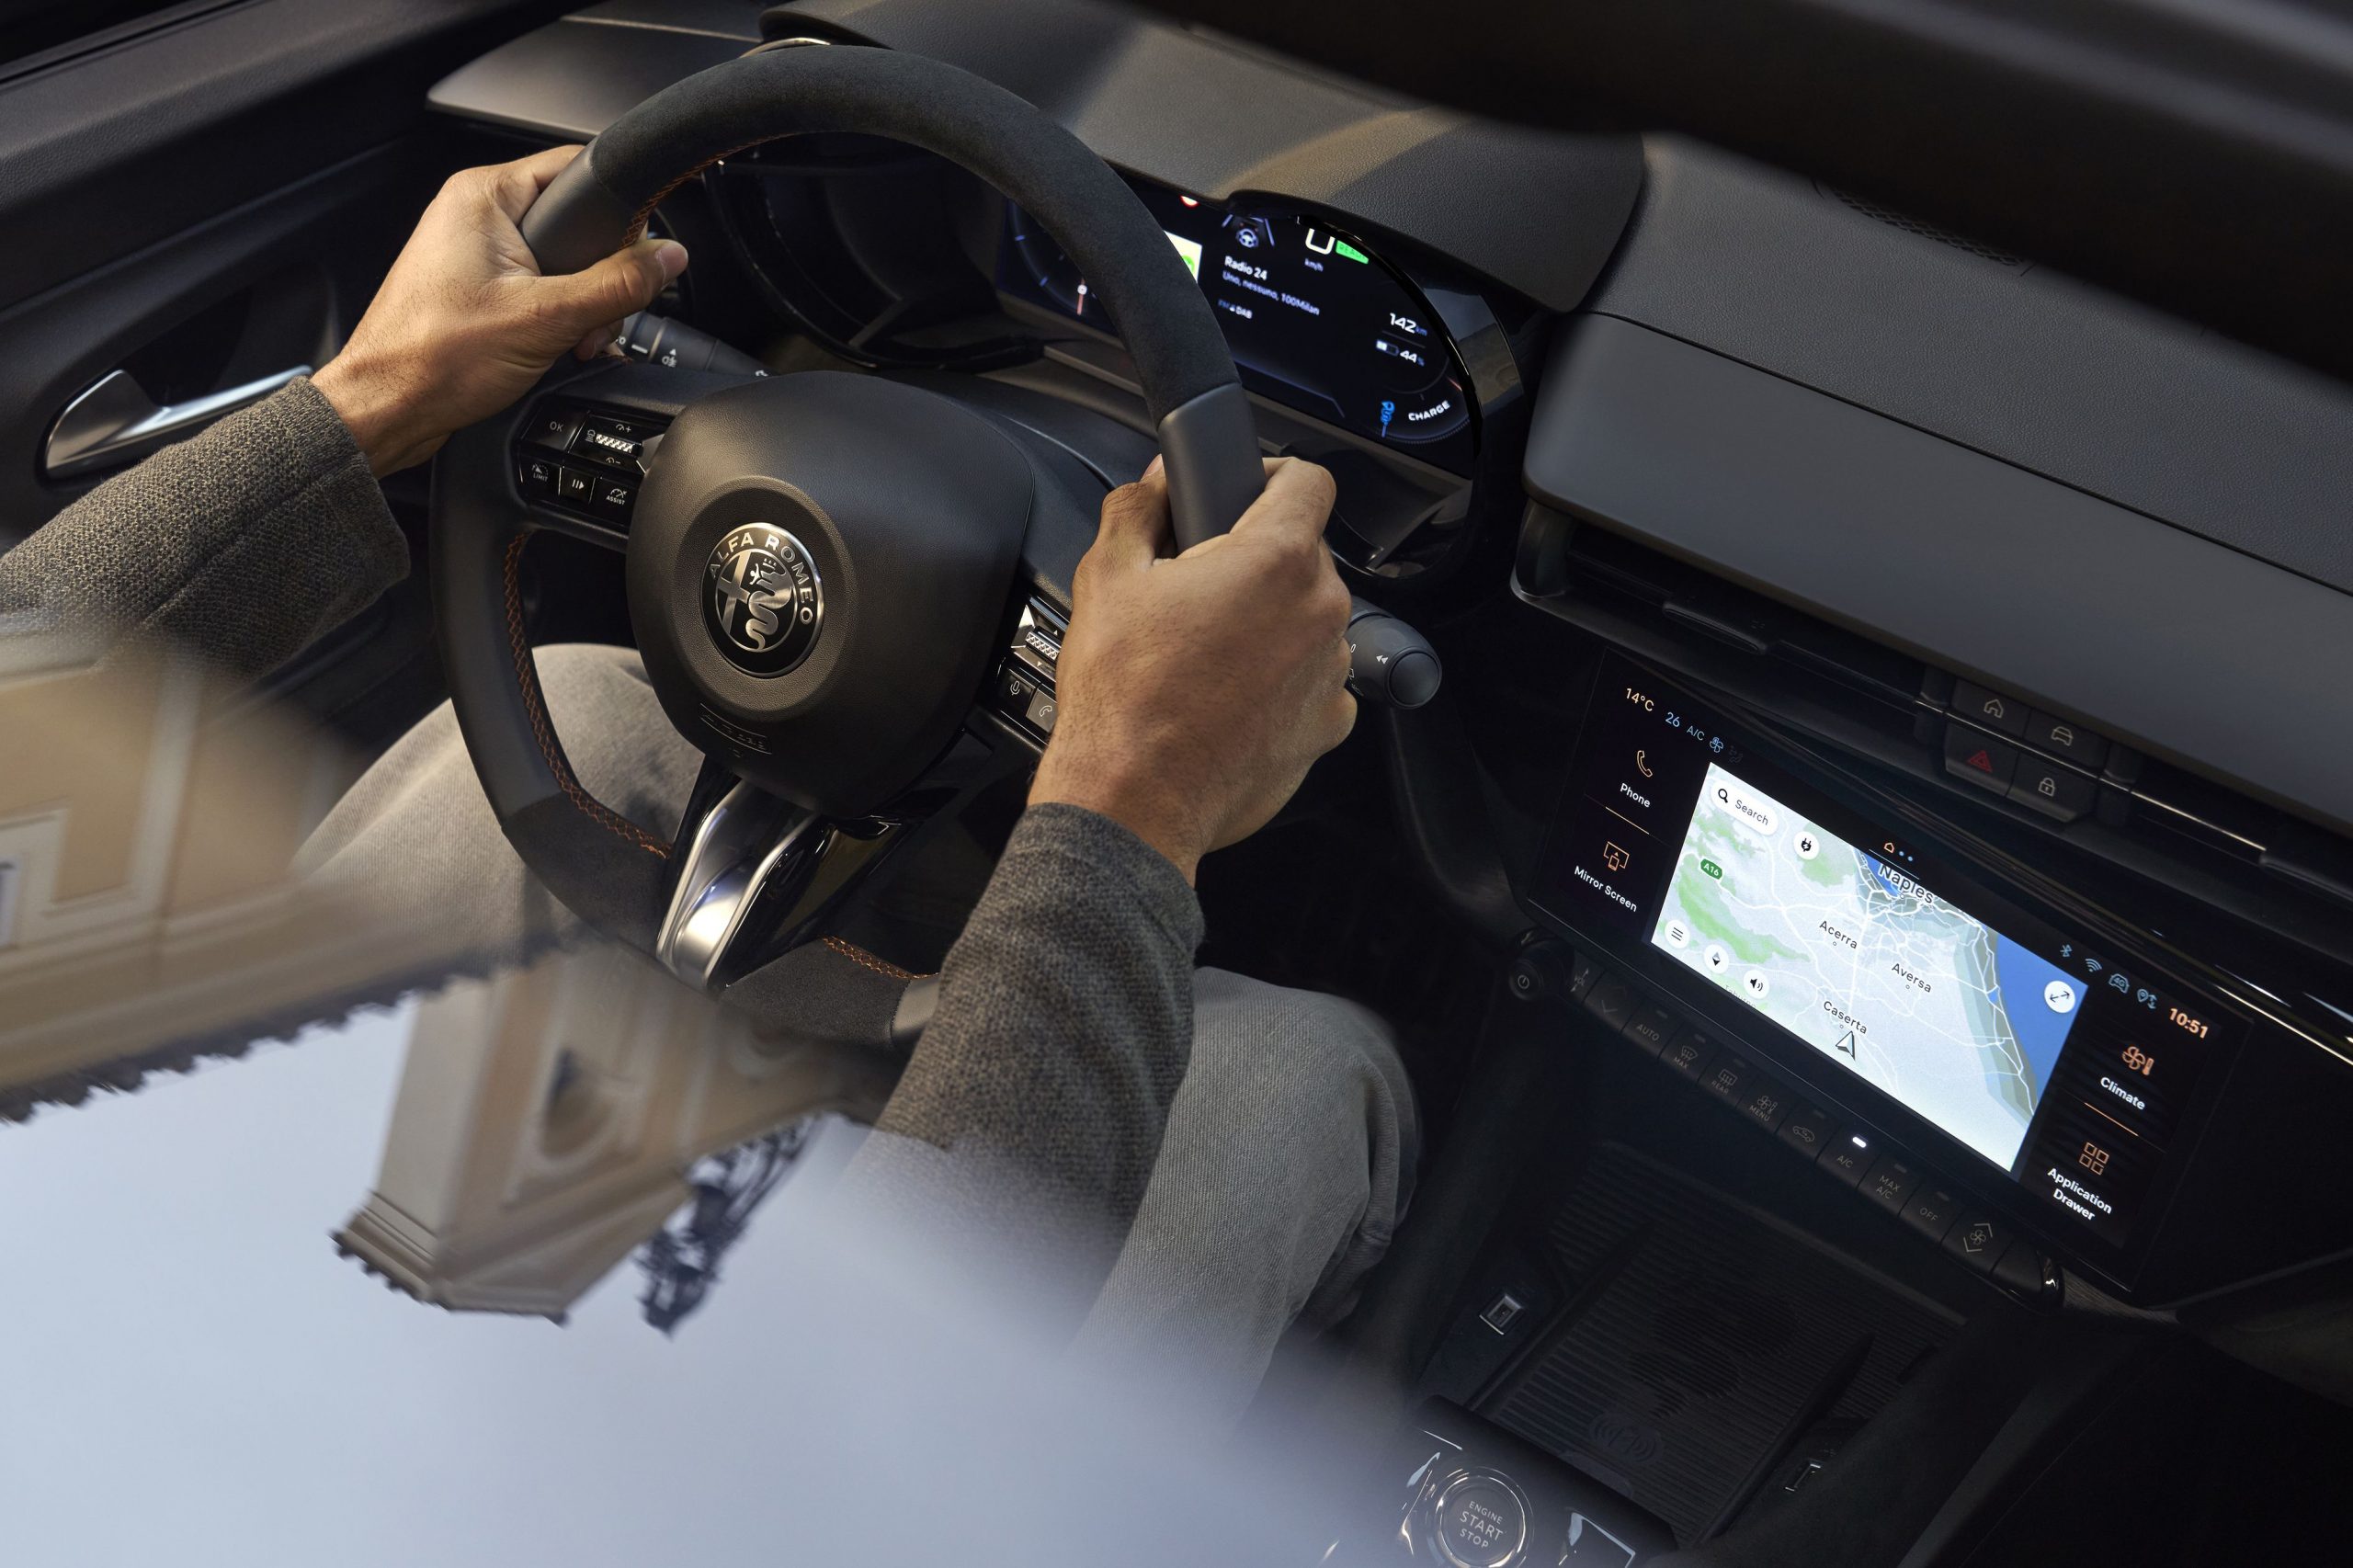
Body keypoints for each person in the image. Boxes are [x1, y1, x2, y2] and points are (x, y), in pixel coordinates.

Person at [0, 147, 1414, 1417]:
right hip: (544, 1476)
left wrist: (373, 401)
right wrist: (1129, 796)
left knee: (584, 710)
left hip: (156, 1280)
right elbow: (871, 1415)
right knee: (1294, 1071)